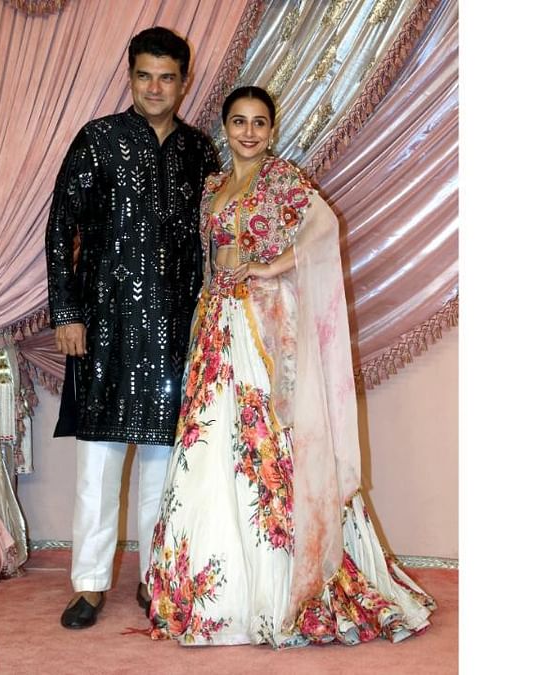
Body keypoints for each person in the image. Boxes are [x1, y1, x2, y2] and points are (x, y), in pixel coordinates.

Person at [145, 86, 436, 647]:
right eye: (238, 122)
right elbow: (209, 260)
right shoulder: (212, 188)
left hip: (263, 327)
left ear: (272, 130)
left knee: (268, 444)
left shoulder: (284, 181)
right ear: (223, 128)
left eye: (259, 122)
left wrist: (268, 267)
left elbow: (322, 235)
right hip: (216, 329)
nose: (248, 132)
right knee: (211, 448)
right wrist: (207, 311)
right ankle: (215, 591)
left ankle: (285, 585)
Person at [45, 27, 220, 629]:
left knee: (161, 466)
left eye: (166, 77)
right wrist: (66, 312)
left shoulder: (200, 152)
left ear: (183, 81)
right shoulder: (98, 140)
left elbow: (213, 240)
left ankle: (156, 578)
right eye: (144, 75)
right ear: (130, 76)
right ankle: (89, 584)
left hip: (175, 328)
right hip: (104, 327)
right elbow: (59, 226)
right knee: (97, 463)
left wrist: (211, 321)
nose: (154, 87)